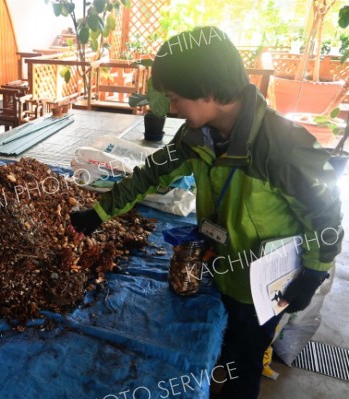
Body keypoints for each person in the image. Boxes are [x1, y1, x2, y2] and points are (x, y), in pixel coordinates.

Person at [70, 26, 343, 399]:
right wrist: (97, 214)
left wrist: (312, 273)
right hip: (220, 265)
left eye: (176, 98)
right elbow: (151, 174)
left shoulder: (282, 147)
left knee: (242, 362)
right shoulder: (193, 137)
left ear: (210, 92)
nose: (173, 108)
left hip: (263, 284)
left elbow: (325, 215)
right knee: (222, 347)